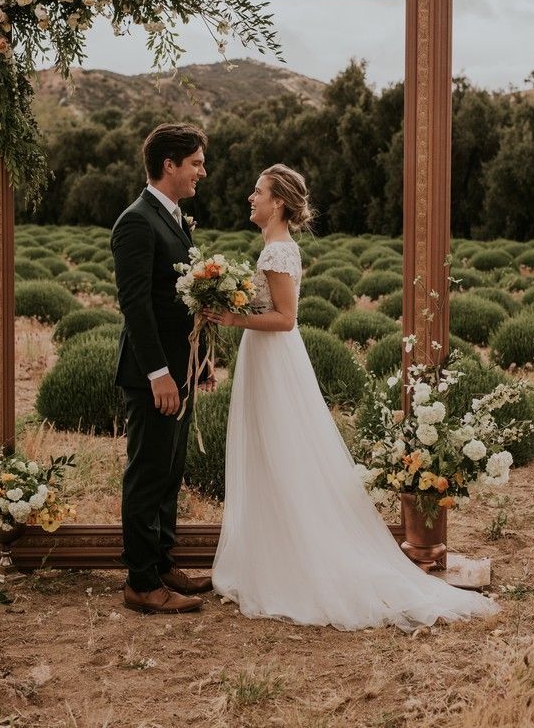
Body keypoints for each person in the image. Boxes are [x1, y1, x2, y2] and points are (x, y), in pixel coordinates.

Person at [205, 164, 499, 631]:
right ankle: (274, 554)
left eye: (256, 191)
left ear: (277, 202)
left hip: (274, 356)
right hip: (265, 359)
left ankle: (290, 563)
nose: (249, 197)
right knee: (269, 453)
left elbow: (285, 319)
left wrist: (230, 317)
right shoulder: (272, 249)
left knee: (280, 453)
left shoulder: (278, 254)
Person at [111, 123, 215, 614]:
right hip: (155, 376)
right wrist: (159, 374)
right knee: (148, 471)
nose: (201, 171)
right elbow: (136, 306)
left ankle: (163, 561)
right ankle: (141, 582)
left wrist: (199, 361)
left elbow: (183, 302)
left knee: (171, 471)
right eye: (195, 162)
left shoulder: (173, 218)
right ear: (169, 165)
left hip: (182, 369)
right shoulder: (136, 221)